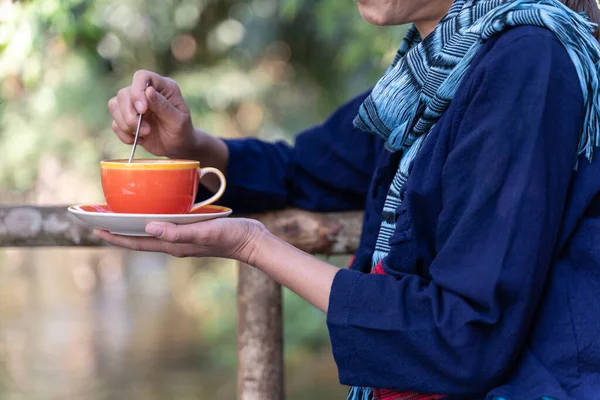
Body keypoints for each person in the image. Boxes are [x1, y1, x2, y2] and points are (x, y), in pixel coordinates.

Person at [99, 0, 600, 398]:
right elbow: (303, 170)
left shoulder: (528, 61)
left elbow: (466, 334)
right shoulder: (428, 74)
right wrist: (189, 145)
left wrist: (256, 247)